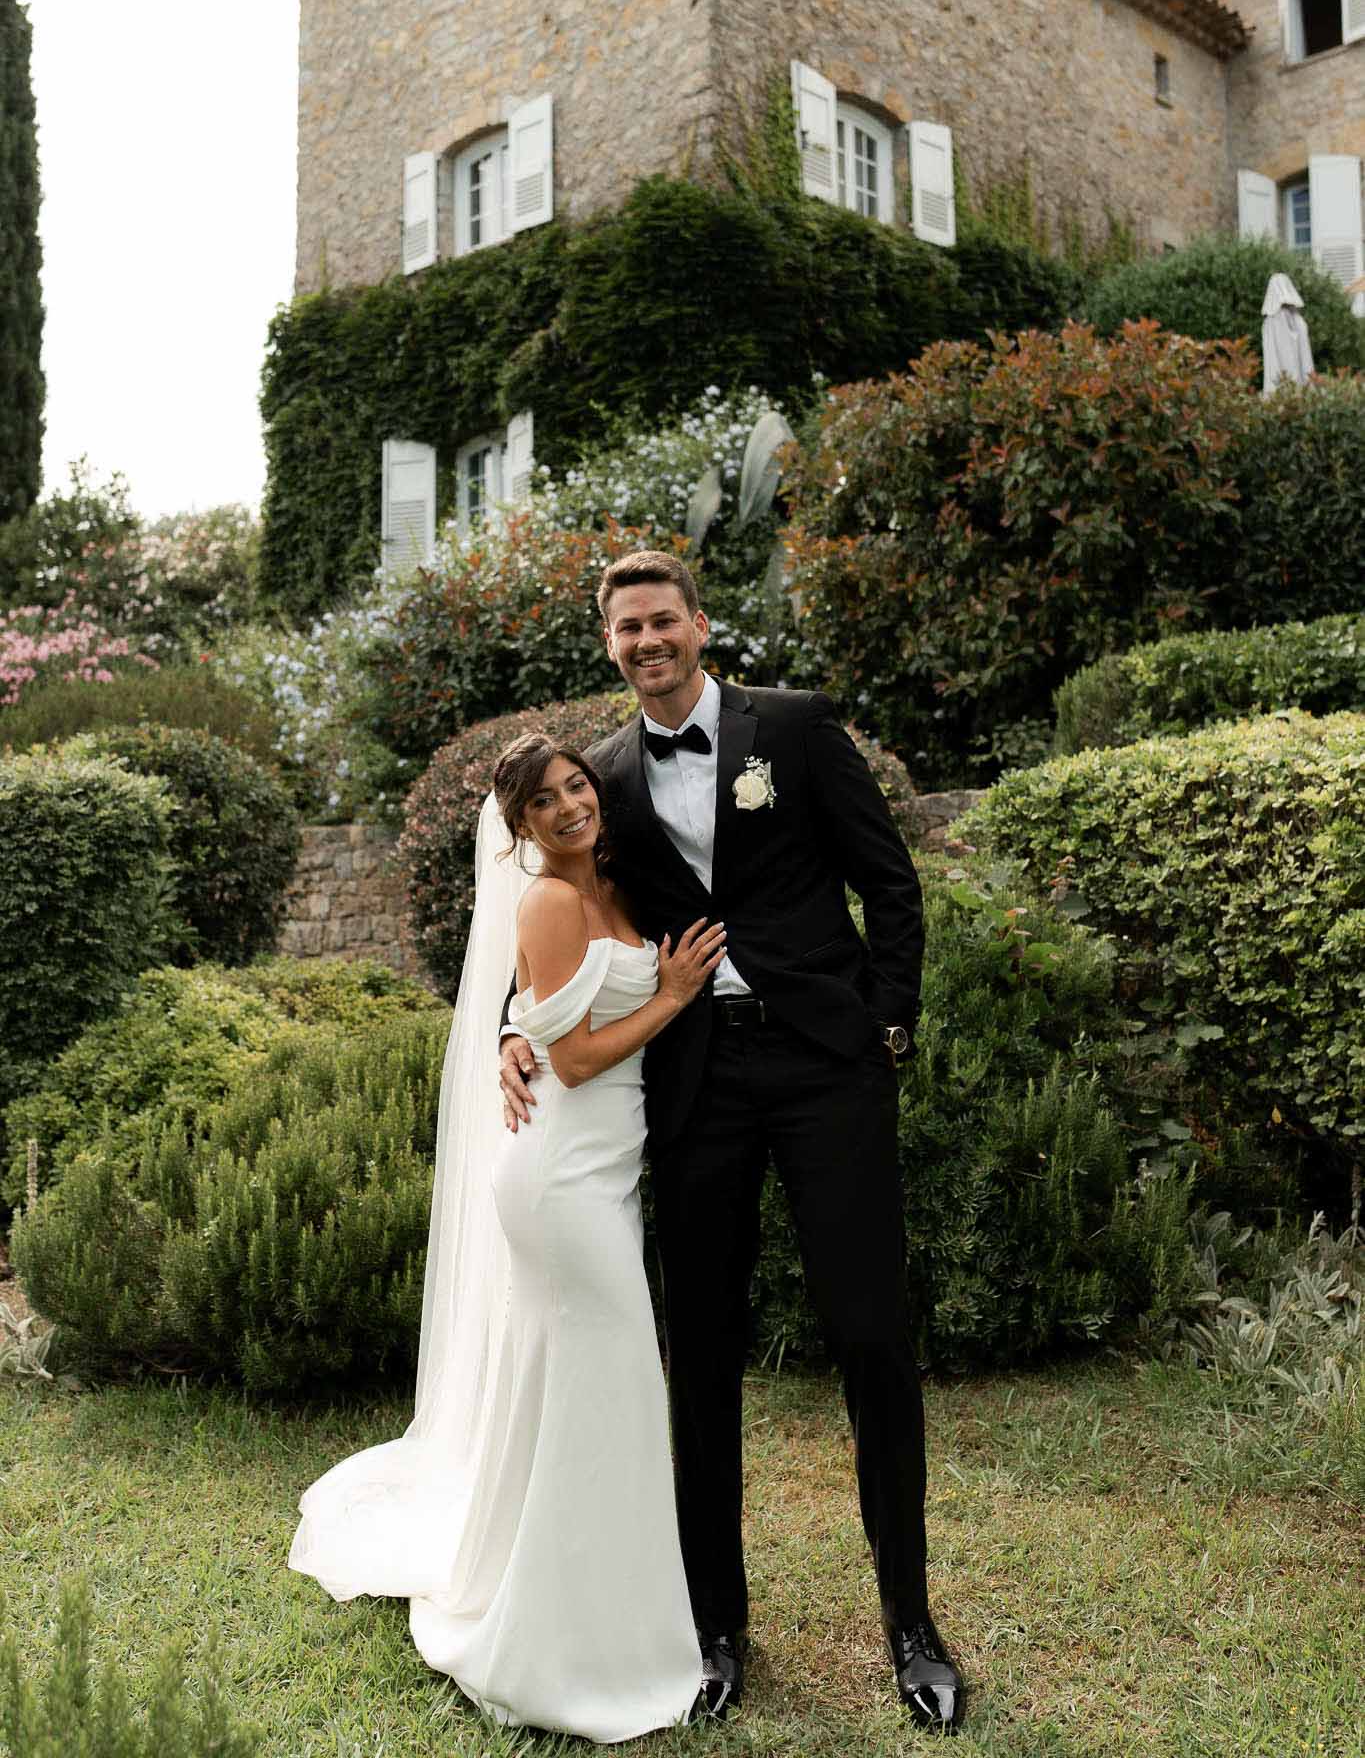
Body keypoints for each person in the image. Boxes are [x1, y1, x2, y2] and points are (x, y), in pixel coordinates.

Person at [500, 550, 965, 1734]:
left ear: (700, 625)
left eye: (664, 620)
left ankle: (910, 1623)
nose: (648, 641)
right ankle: (715, 1626)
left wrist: (889, 1024)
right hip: (696, 1084)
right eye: (627, 629)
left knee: (869, 1335)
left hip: (825, 1070)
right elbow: (569, 917)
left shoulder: (797, 729)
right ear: (609, 647)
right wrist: (516, 1026)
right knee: (698, 1356)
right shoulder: (602, 775)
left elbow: (890, 880)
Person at [288, 732, 727, 1744]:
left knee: (581, 1386)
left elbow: (533, 1017)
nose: (571, 804)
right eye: (545, 800)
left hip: (601, 1173)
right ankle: (555, 1634)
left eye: (578, 785)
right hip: (561, 1176)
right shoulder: (550, 900)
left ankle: (596, 1598)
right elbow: (569, 1059)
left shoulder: (612, 881)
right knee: (609, 1376)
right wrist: (666, 996)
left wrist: (516, 1034)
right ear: (519, 825)